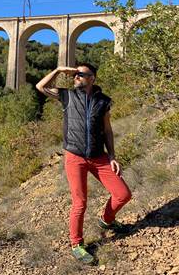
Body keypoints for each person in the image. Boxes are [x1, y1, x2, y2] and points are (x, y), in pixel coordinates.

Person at [35, 62, 132, 264]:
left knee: (123, 194)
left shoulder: (103, 101)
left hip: (99, 156)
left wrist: (112, 156)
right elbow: (40, 87)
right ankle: (77, 244)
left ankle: (106, 220)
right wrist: (59, 70)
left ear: (92, 78)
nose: (76, 77)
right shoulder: (67, 96)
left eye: (81, 74)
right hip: (75, 157)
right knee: (80, 203)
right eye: (75, 74)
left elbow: (107, 130)